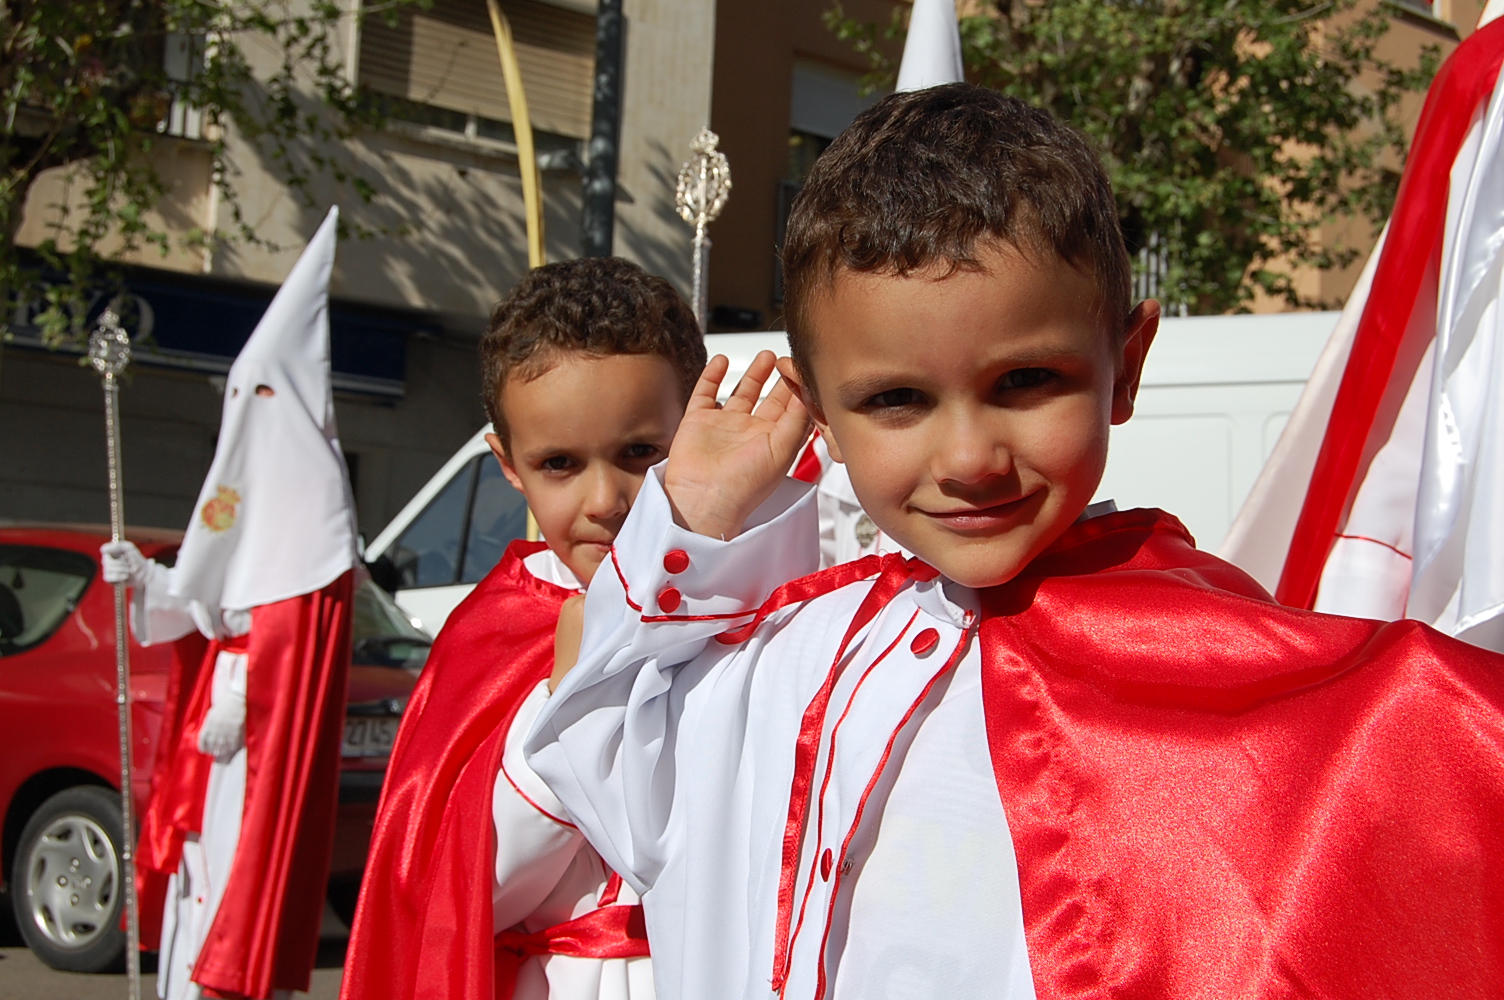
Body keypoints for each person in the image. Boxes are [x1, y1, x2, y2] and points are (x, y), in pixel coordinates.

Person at [524, 85, 1504, 1000]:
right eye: (896, 398)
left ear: (1126, 365)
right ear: (818, 409)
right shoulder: (791, 655)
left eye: (1027, 381)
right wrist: (687, 517)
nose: (969, 456)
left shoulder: (1227, 664)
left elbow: (1431, 773)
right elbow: (616, 773)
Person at [340, 257, 706, 1000]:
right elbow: (455, 893)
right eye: (560, 464)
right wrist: (566, 704)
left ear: (697, 423)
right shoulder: (497, 629)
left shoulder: (763, 598)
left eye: (640, 452)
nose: (607, 498)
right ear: (509, 466)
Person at [102, 208, 358, 1000]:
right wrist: (144, 579)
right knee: (197, 865)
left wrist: (245, 693)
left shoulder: (318, 520)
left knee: (237, 856)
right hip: (214, 729)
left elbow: (287, 633)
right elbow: (202, 595)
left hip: (253, 733)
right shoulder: (235, 490)